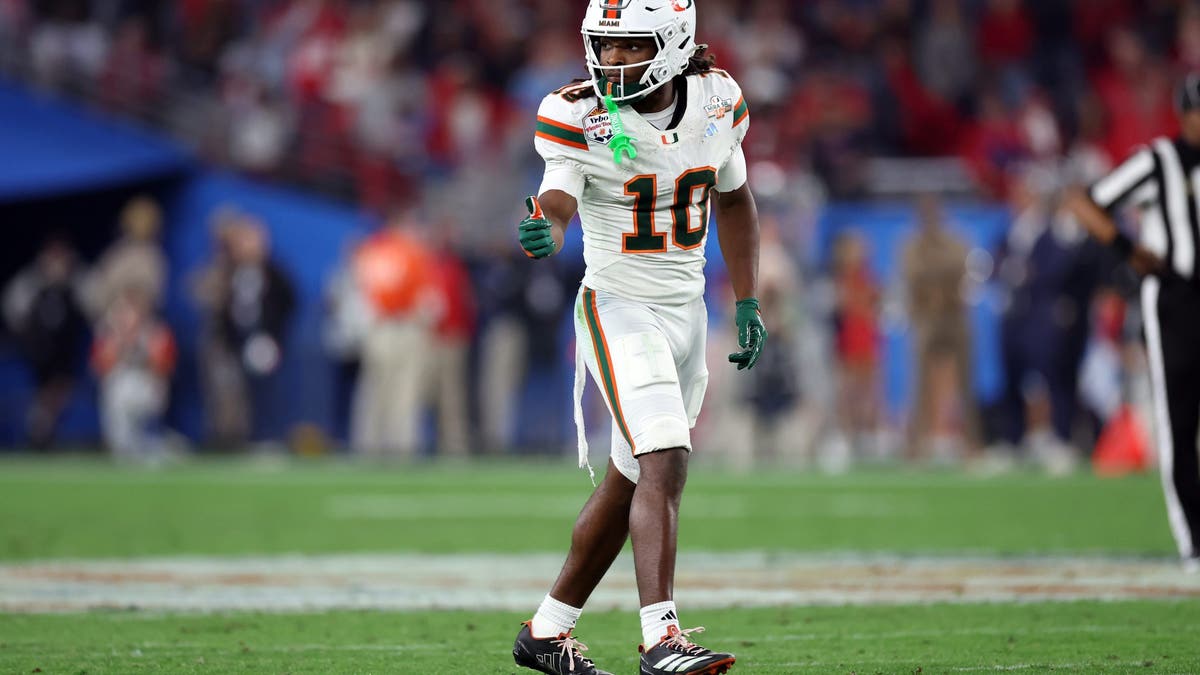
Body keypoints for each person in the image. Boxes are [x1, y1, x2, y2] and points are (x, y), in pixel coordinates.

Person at [510, 2, 764, 674]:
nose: (612, 61)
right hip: (618, 306)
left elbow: (734, 199)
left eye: (629, 47)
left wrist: (747, 300)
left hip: (686, 313)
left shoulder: (718, 99)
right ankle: (661, 638)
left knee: (632, 477)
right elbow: (558, 194)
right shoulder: (576, 113)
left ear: (675, 44)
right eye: (606, 46)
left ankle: (546, 630)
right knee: (665, 457)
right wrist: (548, 227)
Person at [1067, 75, 1200, 571]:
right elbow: (1085, 202)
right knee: (1179, 421)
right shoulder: (1159, 160)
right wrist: (1129, 250)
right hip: (1175, 297)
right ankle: (1194, 542)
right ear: (1185, 114)